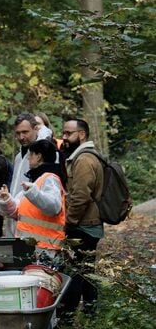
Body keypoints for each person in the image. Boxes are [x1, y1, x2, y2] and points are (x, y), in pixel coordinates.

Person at [59, 117, 104, 314]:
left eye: (68, 133)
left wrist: (69, 222)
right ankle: (90, 313)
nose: (64, 137)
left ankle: (69, 317)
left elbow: (80, 197)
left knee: (75, 273)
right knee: (86, 272)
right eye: (64, 133)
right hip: (87, 224)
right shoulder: (81, 156)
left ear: (82, 134)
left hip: (84, 225)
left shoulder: (84, 160)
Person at [0, 138, 66, 258]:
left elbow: (53, 207)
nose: (28, 158)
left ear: (38, 156)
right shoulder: (35, 181)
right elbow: (17, 212)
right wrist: (6, 200)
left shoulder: (50, 179)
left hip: (45, 248)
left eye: (30, 155)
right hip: (30, 246)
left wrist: (32, 192)